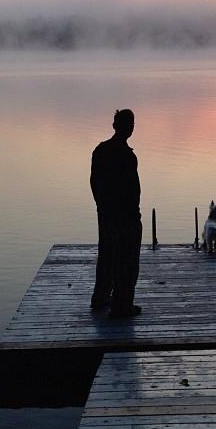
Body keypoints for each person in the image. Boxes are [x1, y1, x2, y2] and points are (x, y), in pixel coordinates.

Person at [90, 109, 142, 318]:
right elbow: (132, 190)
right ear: (128, 128)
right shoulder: (127, 156)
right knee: (127, 261)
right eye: (130, 124)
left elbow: (94, 183)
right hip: (125, 216)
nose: (131, 127)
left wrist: (102, 206)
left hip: (106, 213)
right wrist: (133, 215)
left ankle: (100, 296)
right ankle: (122, 305)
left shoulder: (100, 150)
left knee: (107, 255)